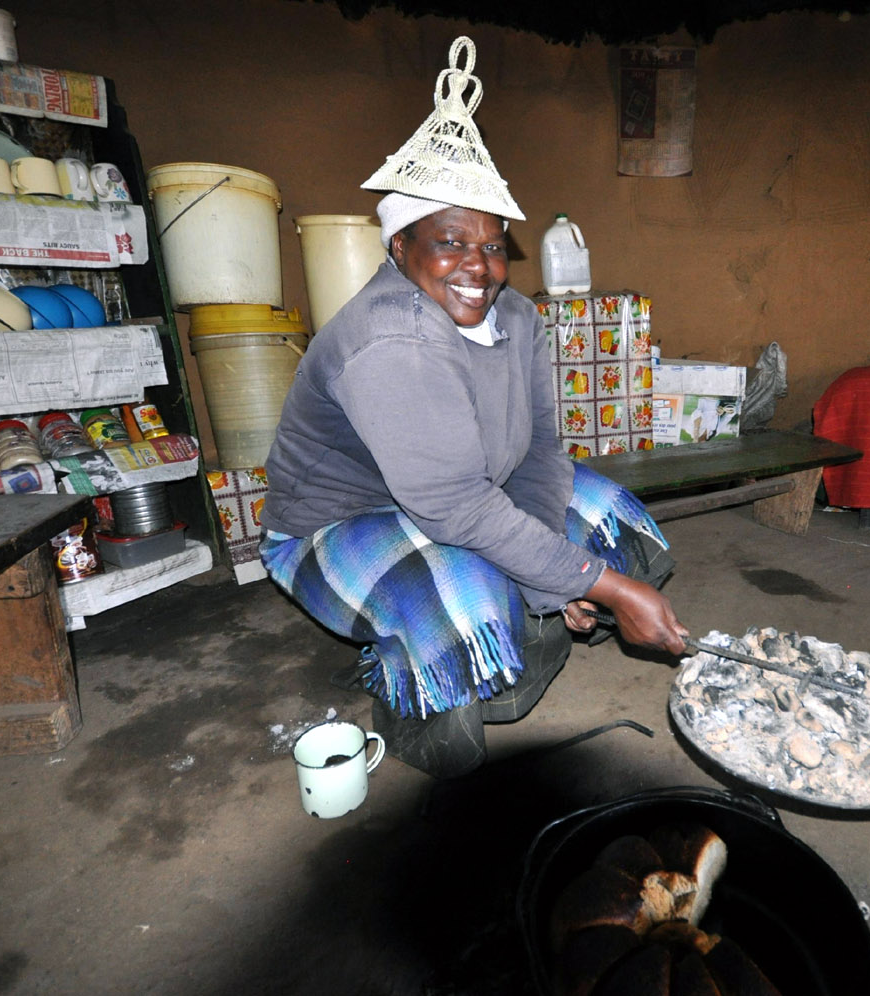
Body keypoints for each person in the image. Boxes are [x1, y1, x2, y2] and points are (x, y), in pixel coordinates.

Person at [260, 36, 687, 778]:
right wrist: (596, 585)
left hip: (457, 494)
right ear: (399, 248)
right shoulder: (388, 340)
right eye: (448, 241)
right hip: (339, 522)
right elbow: (453, 506)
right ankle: (412, 701)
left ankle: (528, 616)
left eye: (492, 245)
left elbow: (544, 449)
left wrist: (559, 576)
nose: (477, 267)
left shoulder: (518, 317)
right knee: (471, 605)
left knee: (616, 521)